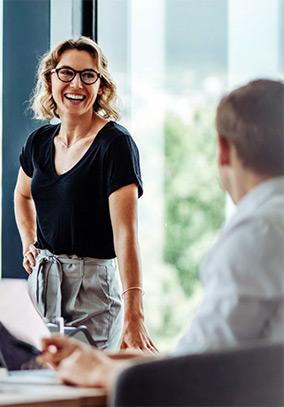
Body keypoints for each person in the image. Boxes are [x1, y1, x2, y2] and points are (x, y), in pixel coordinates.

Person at [37, 79, 284, 389]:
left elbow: (195, 376)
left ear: (222, 150)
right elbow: (203, 356)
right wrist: (102, 359)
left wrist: (100, 372)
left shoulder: (256, 234)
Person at [14, 36, 157, 352]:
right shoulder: (38, 142)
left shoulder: (115, 145)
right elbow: (22, 196)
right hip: (42, 284)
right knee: (39, 389)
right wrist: (29, 243)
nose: (76, 83)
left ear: (100, 85)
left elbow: (126, 235)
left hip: (93, 290)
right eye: (66, 72)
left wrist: (135, 313)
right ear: (50, 79)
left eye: (87, 75)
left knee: (86, 394)